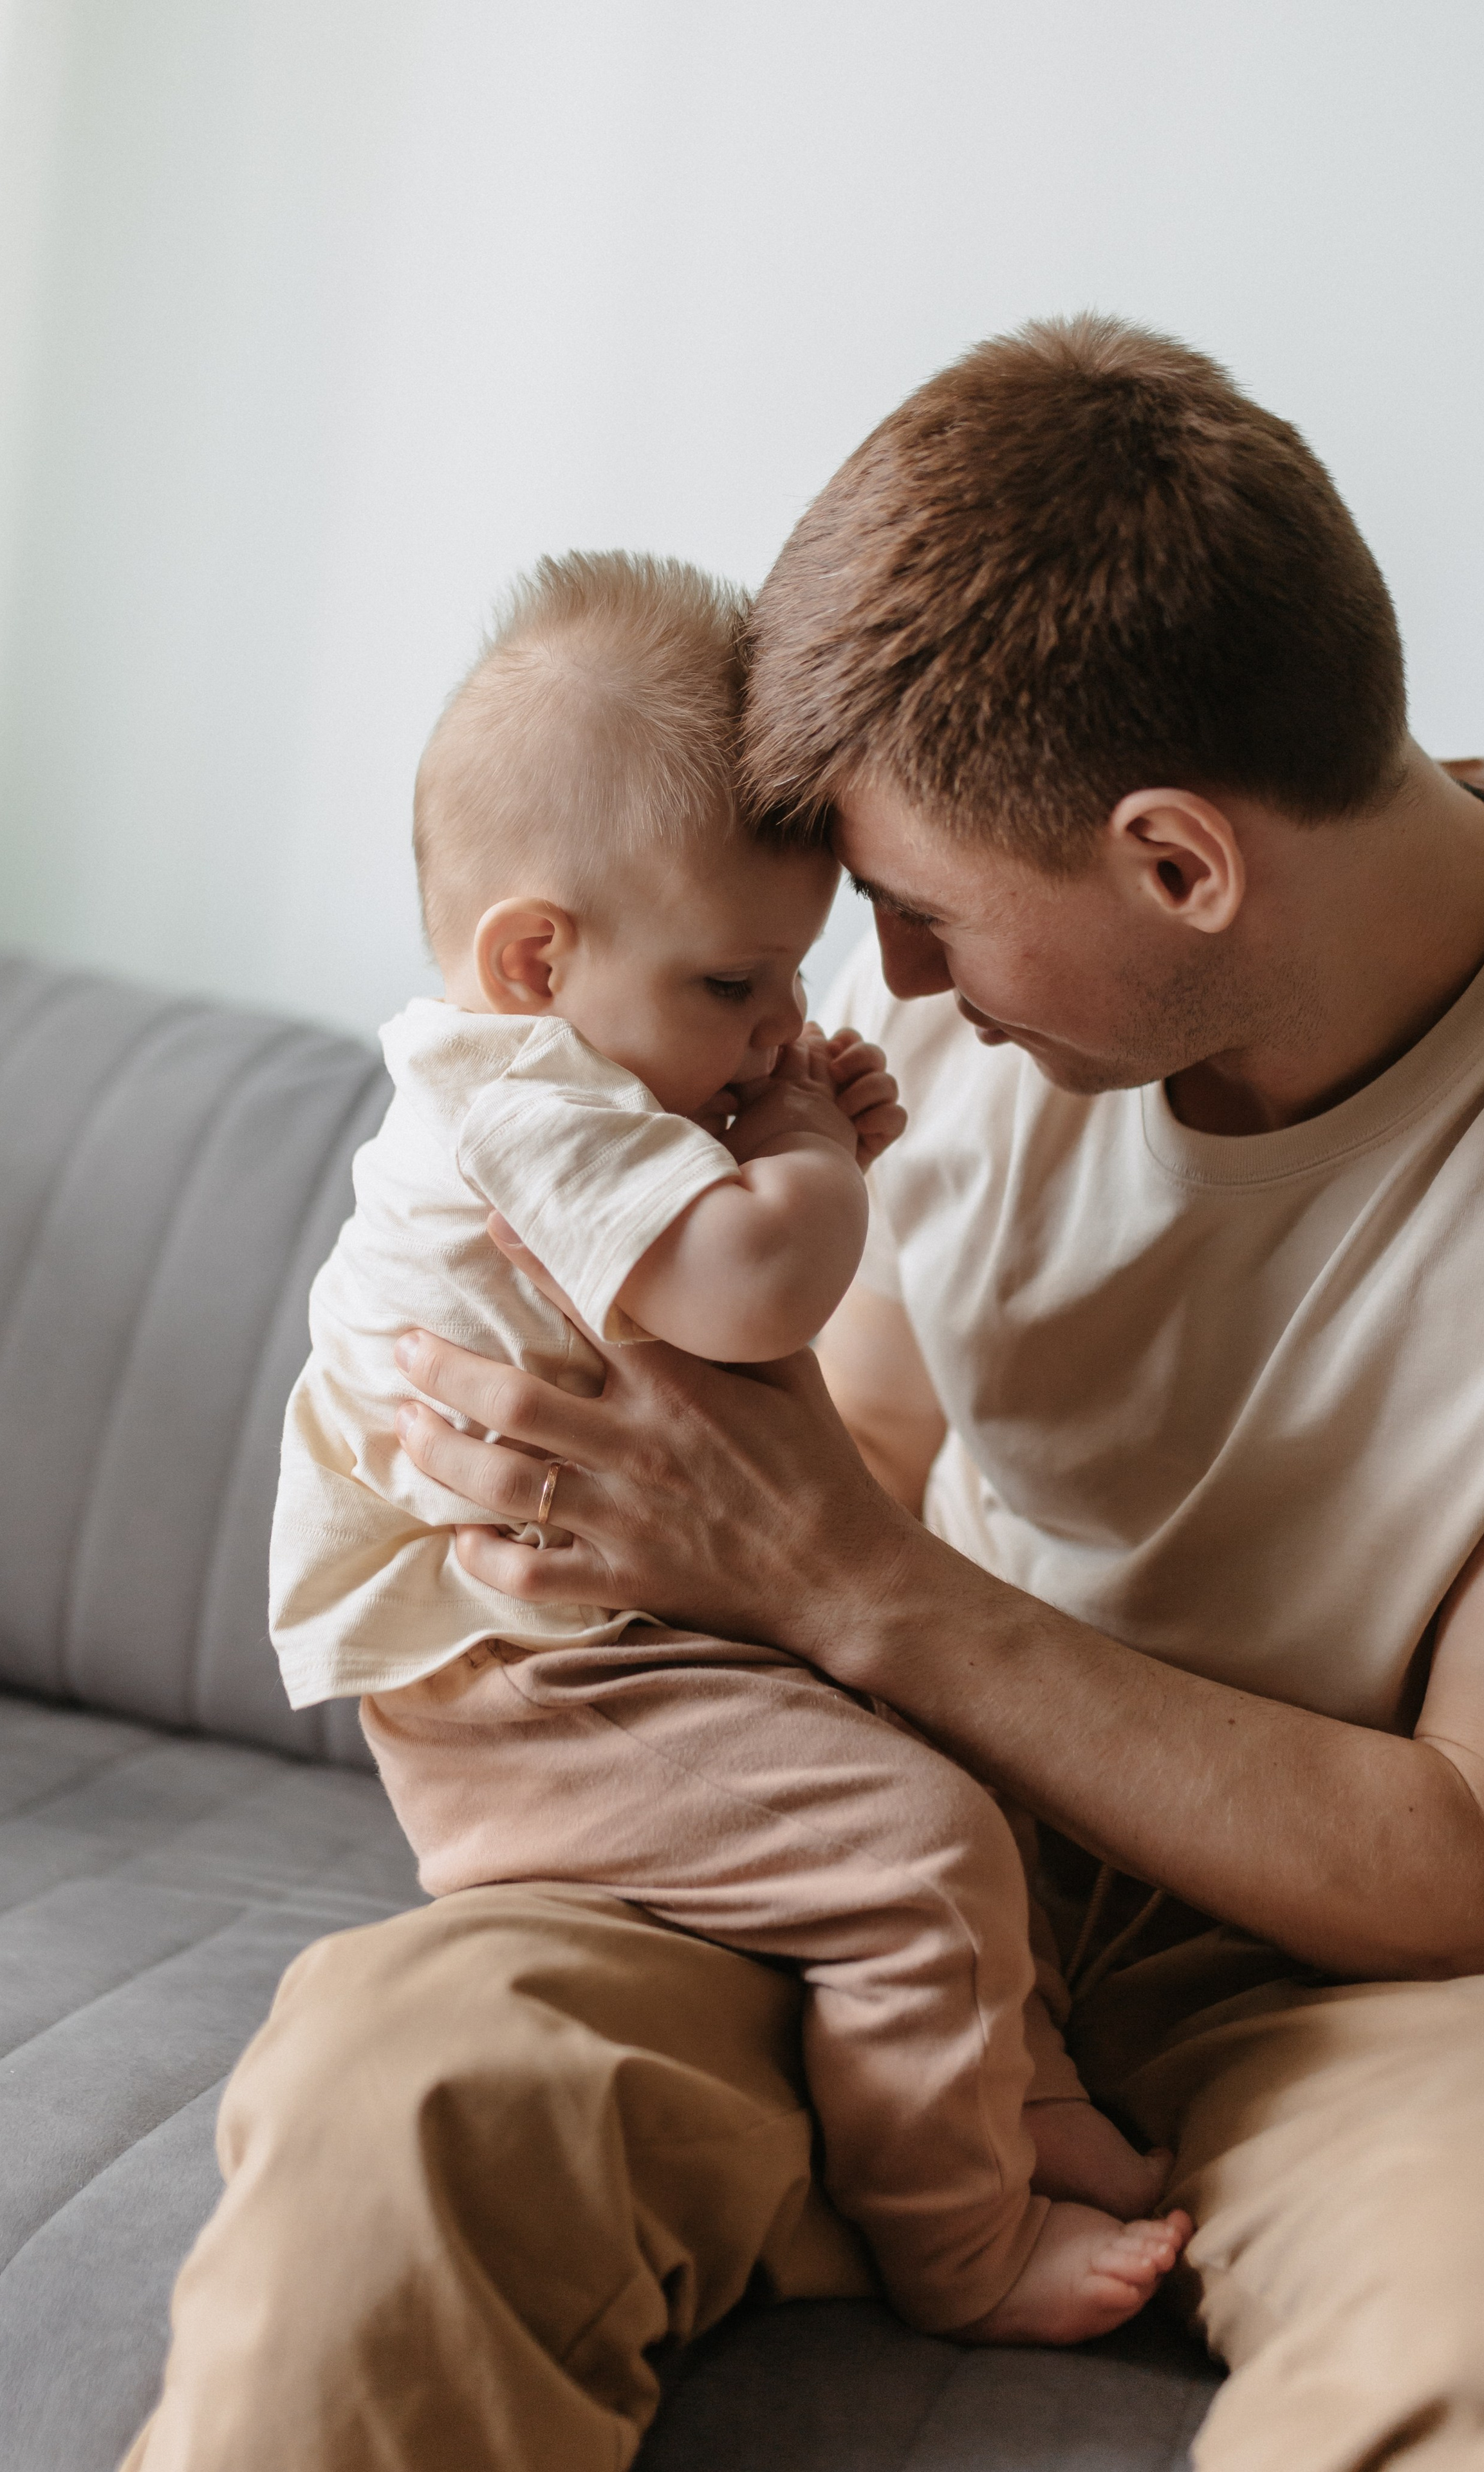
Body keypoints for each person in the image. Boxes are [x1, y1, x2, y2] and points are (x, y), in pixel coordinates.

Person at [125, 317, 1484, 2471]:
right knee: (404, 2098)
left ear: (1179, 863)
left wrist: (862, 1589)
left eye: (922, 922)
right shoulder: (958, 1010)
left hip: (1375, 1977)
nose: (882, 993)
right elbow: (848, 1462)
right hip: (883, 1840)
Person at [266, 544, 1187, 2349]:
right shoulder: (519, 1090)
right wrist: (816, 1158)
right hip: (516, 1686)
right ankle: (960, 2236)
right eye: (733, 983)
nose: (784, 1027)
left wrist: (760, 1114)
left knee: (975, 1762)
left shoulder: (600, 1076)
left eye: (792, 977)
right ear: (537, 957)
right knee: (918, 1848)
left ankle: (1024, 2076)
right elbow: (758, 1289)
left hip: (615, 1640)